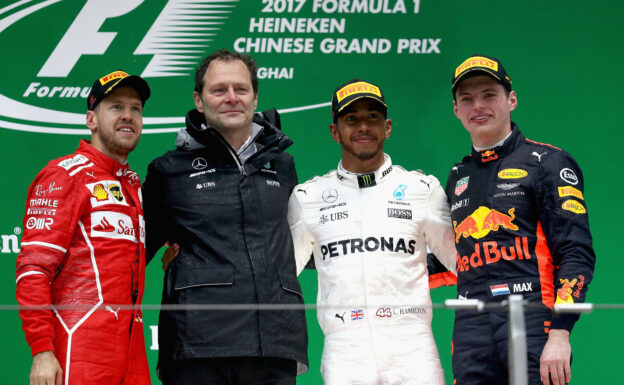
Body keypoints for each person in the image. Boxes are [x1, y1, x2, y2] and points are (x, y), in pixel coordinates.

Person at [142, 49, 308, 385]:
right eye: (219, 90)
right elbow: (129, 255)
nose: (231, 98)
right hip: (196, 349)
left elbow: (306, 240)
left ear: (255, 96)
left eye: (241, 89)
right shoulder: (168, 171)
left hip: (275, 346)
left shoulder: (283, 165)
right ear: (199, 101)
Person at [287, 79, 457, 385]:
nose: (363, 126)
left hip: (413, 346)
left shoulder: (423, 189)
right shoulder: (307, 197)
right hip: (344, 349)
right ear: (334, 131)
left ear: (388, 127)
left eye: (372, 117)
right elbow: (281, 274)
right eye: (351, 119)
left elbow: (465, 264)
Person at [446, 54, 596, 385]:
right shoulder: (458, 175)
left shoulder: (547, 162)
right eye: (466, 99)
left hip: (531, 316)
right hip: (471, 324)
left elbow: (575, 251)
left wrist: (561, 331)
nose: (478, 106)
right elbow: (451, 258)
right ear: (456, 110)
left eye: (489, 95)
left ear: (511, 100)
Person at [15, 70, 151, 385]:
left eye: (136, 108)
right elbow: (33, 271)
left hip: (131, 355)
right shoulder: (66, 175)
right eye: (116, 107)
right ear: (91, 119)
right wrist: (41, 351)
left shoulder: (132, 184)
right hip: (80, 348)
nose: (128, 116)